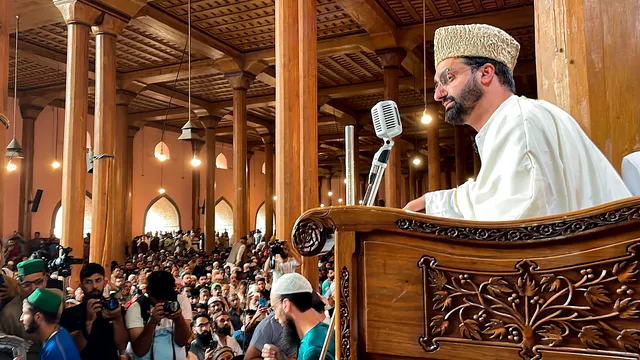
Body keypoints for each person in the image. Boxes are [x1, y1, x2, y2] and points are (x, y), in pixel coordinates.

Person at [403, 24, 631, 220]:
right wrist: (433, 203)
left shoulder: (520, 121)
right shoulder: (513, 118)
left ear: (486, 73)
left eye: (448, 78)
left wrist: (436, 207)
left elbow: (521, 215)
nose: (438, 95)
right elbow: (496, 195)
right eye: (437, 85)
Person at [59, 263, 128, 360]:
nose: (94, 286)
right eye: (88, 282)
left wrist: (118, 319)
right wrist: (89, 321)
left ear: (104, 282)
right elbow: (72, 349)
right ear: (81, 285)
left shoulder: (115, 310)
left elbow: (122, 346)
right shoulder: (70, 313)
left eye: (98, 280)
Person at [261, 273, 335, 360]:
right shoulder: (323, 328)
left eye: (275, 308)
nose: (276, 317)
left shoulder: (313, 351)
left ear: (286, 304)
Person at [125, 270, 192, 360]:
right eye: (158, 298)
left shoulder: (181, 301)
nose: (162, 302)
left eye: (166, 298)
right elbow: (140, 351)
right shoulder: (137, 308)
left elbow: (182, 342)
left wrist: (178, 318)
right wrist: (152, 323)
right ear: (148, 293)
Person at [20, 288, 81, 360]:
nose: (21, 318)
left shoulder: (55, 352)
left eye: (25, 313)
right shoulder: (58, 332)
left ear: (38, 317)